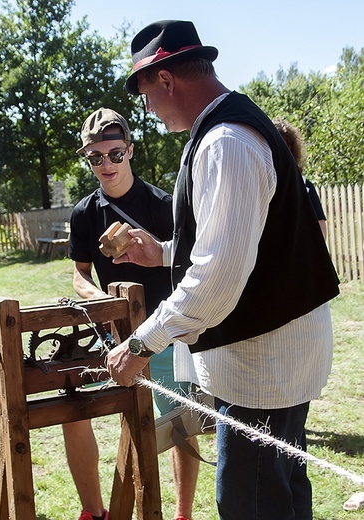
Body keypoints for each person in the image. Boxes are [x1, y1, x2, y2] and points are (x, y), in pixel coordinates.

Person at [105, 20, 340, 519]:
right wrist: (164, 254)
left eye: (145, 91)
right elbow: (242, 244)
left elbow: (218, 277)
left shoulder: (225, 142)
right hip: (275, 359)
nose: (146, 107)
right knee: (281, 495)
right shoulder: (228, 132)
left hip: (265, 367)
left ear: (166, 80)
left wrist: (142, 343)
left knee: (250, 504)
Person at [65, 107, 200, 520]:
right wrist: (106, 303)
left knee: (180, 422)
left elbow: (188, 268)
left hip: (161, 333)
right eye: (95, 157)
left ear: (130, 151)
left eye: (115, 153)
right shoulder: (84, 213)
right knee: (72, 406)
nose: (106, 164)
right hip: (111, 333)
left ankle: (181, 514)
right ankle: (94, 511)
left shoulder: (163, 204)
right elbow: (78, 275)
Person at [273, 117, 328, 239]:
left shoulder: (305, 186)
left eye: (281, 146)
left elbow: (321, 232)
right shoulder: (262, 186)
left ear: (290, 148)